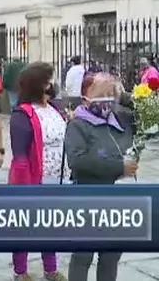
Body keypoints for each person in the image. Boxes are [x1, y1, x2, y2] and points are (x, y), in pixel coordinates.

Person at [65, 73, 135, 281]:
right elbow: (77, 160)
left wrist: (123, 97)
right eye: (101, 93)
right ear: (85, 96)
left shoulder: (119, 119)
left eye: (111, 93)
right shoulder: (78, 124)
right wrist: (118, 166)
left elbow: (148, 117)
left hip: (114, 197)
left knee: (111, 253)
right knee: (83, 254)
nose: (107, 99)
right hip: (86, 195)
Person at [8, 62, 68, 281]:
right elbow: (20, 155)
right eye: (49, 79)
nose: (53, 84)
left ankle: (50, 268)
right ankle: (20, 271)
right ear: (39, 84)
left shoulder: (53, 108)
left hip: (58, 178)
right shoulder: (22, 114)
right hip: (34, 180)